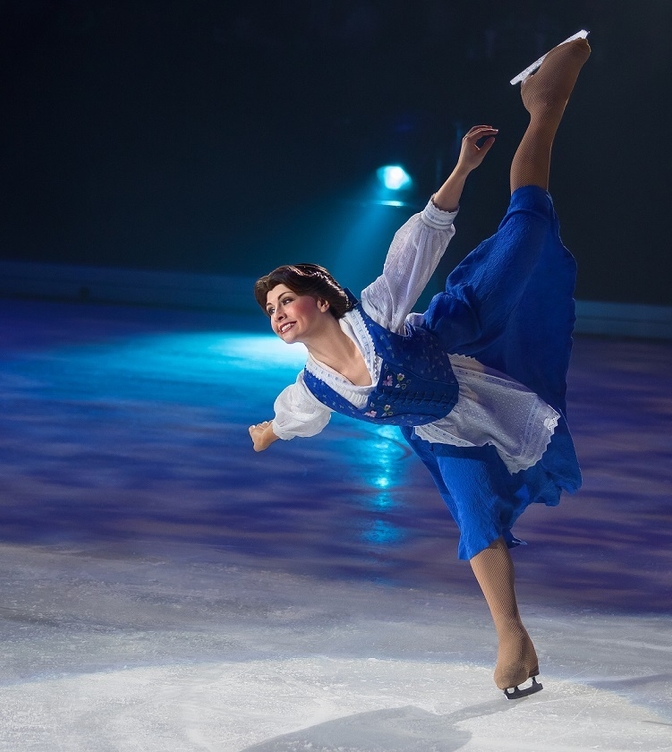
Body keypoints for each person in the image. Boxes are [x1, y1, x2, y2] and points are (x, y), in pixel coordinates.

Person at [249, 37, 590, 698]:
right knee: (477, 520)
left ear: (318, 299)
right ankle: (513, 641)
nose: (279, 314)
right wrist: (263, 433)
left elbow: (423, 238)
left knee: (528, 229)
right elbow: (289, 419)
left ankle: (542, 104)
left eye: (286, 300)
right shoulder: (312, 387)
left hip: (459, 331)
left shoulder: (372, 311)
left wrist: (462, 167)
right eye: (270, 311)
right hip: (441, 429)